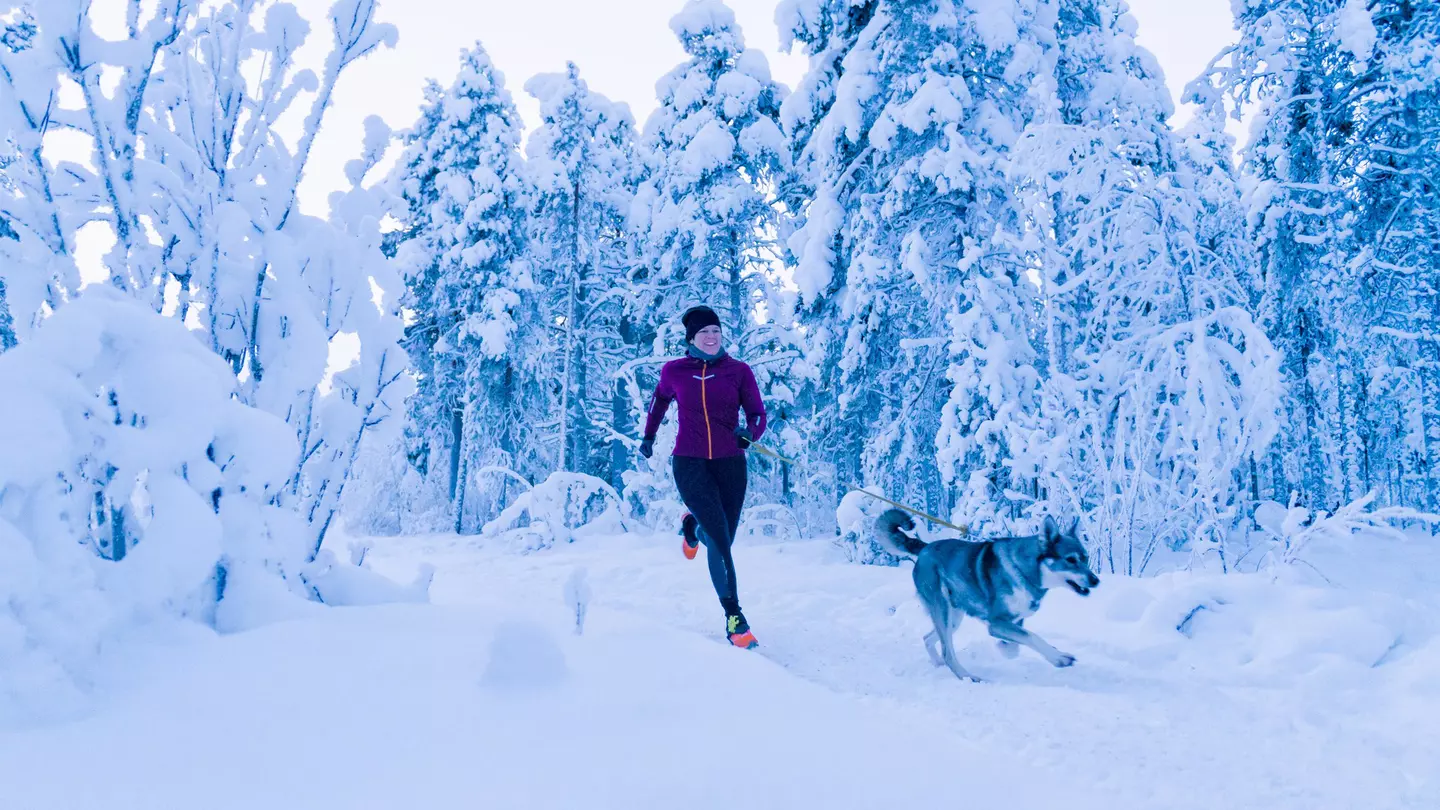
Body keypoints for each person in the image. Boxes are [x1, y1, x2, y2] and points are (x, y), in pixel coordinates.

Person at [639, 305, 766, 649]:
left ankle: (692, 527)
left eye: (716, 331)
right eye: (703, 333)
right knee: (721, 542)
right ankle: (734, 618)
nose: (711, 338)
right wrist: (649, 436)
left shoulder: (738, 371)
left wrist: (750, 434)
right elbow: (659, 401)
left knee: (722, 537)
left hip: (730, 464)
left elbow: (757, 413)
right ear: (691, 338)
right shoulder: (675, 371)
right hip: (690, 463)